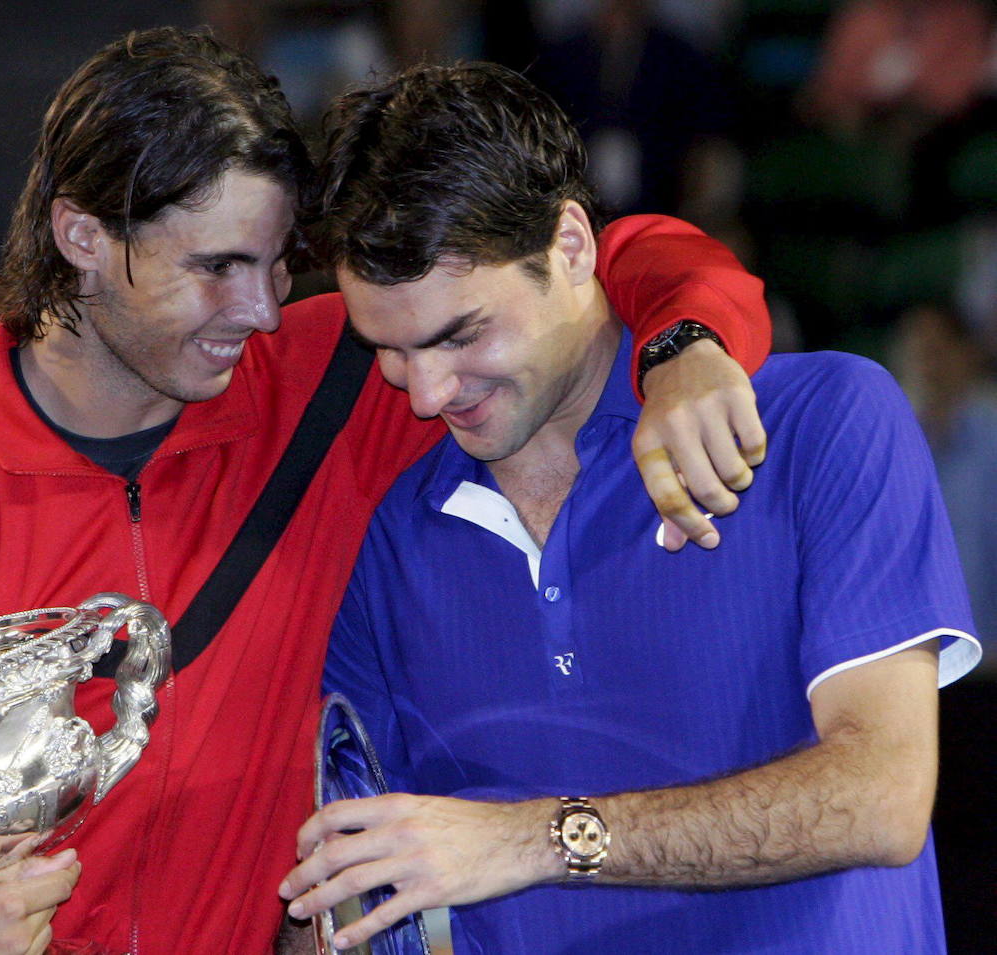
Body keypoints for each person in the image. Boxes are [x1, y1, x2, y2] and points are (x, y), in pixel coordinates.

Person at [0, 29, 774, 955]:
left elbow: (600, 257)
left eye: (279, 265)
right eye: (217, 267)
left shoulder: (337, 380)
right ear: (81, 234)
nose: (264, 311)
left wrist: (686, 344)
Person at [279, 63, 982, 953]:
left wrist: (532, 840)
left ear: (572, 246)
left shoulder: (828, 421)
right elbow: (349, 893)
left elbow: (881, 796)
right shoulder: (385, 534)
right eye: (389, 348)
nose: (426, 391)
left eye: (462, 334)